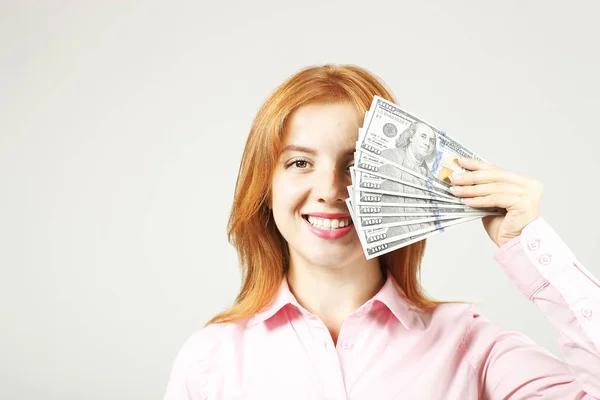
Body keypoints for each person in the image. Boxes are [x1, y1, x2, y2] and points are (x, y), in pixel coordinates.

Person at [163, 65, 600, 399]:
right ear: (265, 188)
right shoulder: (209, 360)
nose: (331, 190)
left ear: (399, 182)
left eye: (355, 164)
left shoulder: (469, 344)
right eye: (299, 163)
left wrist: (529, 245)